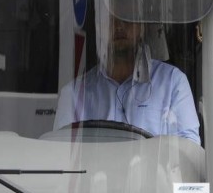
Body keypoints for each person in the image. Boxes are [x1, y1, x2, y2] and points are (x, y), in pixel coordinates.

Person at [54, 15, 201, 143]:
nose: (118, 26)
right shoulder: (73, 94)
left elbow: (188, 154)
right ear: (99, 26)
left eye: (127, 17)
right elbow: (62, 155)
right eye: (109, 18)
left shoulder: (173, 83)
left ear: (141, 26)